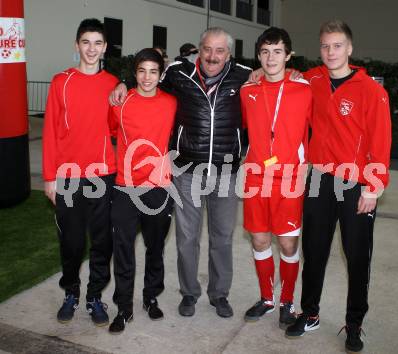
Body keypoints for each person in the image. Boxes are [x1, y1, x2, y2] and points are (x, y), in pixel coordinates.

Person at [110, 27, 251, 318]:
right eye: (207, 49)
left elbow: (270, 83)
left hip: (226, 171)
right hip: (188, 169)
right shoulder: (178, 73)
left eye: (220, 50)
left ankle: (219, 294)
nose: (212, 56)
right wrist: (124, 81)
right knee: (187, 237)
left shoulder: (244, 76)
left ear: (229, 53)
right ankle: (189, 293)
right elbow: (149, 73)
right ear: (198, 49)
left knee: (222, 237)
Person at [284, 20, 392, 353]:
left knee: (357, 256)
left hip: (355, 182)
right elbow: (281, 79)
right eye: (325, 46)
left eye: (337, 45)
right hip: (318, 178)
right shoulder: (311, 79)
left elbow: (381, 141)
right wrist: (259, 74)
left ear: (350, 48)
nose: (331, 52)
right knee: (313, 251)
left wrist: (373, 187)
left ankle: (355, 322)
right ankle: (311, 312)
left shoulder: (371, 90)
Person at [42, 18, 118, 326]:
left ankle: (95, 297)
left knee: (102, 242)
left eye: (97, 43)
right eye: (85, 42)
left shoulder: (114, 84)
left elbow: (117, 128)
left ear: (105, 48)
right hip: (69, 175)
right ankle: (71, 292)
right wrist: (50, 177)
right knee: (72, 242)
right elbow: (49, 131)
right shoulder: (61, 81)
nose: (91, 49)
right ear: (77, 45)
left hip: (103, 175)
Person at [240, 27, 311, 330]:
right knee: (258, 237)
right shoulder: (248, 90)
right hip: (256, 175)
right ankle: (268, 298)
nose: (271, 58)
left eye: (278, 51)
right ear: (258, 56)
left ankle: (287, 301)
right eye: (265, 52)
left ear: (289, 55)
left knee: (288, 244)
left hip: (290, 178)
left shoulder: (304, 88)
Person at [107, 48, 177, 334]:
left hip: (159, 187)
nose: (147, 78)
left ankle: (151, 297)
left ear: (161, 75)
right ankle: (124, 307)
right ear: (134, 73)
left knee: (155, 247)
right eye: (141, 71)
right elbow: (111, 132)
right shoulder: (119, 102)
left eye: (153, 71)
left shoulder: (173, 103)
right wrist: (120, 84)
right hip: (125, 186)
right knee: (123, 249)